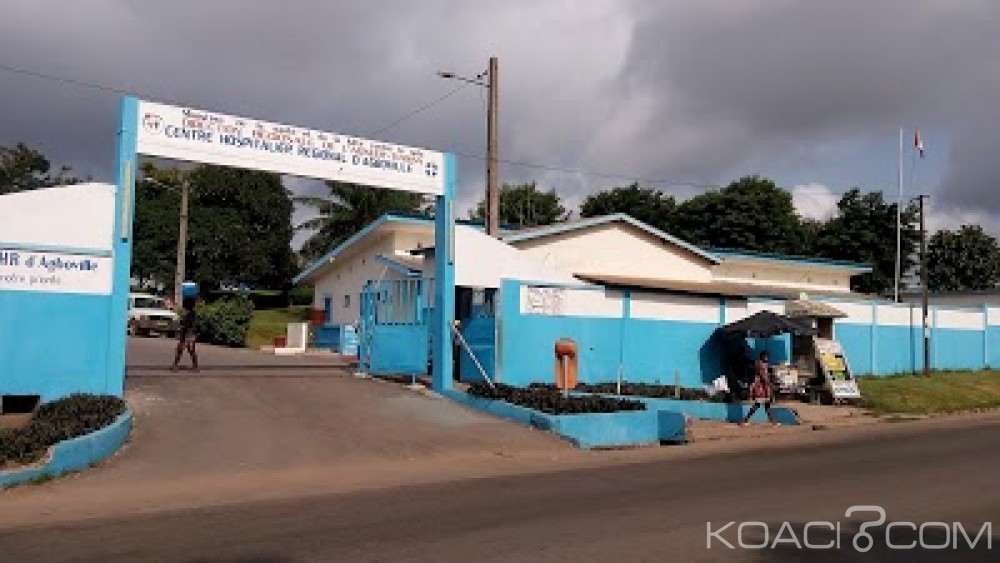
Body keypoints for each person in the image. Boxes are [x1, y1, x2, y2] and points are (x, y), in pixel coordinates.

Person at [740, 351, 778, 426]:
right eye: (765, 356)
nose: (767, 358)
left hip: (764, 387)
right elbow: (763, 376)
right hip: (760, 387)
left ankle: (773, 421)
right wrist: (771, 385)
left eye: (767, 356)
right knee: (758, 404)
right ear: (762, 356)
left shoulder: (764, 364)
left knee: (767, 405)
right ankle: (745, 420)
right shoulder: (760, 364)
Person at [171, 298, 199, 371]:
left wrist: (182, 325)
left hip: (187, 334)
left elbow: (187, 325)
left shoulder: (190, 314)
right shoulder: (191, 313)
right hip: (191, 334)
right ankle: (195, 366)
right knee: (191, 350)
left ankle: (175, 365)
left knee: (180, 349)